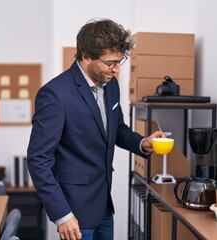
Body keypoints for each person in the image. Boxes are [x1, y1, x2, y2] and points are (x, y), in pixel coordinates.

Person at [27, 18, 165, 240]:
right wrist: (62, 215)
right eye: (111, 62)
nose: (117, 69)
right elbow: (38, 159)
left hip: (103, 205)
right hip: (74, 210)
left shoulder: (111, 85)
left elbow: (117, 129)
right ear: (86, 56)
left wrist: (142, 142)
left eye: (120, 61)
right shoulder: (55, 94)